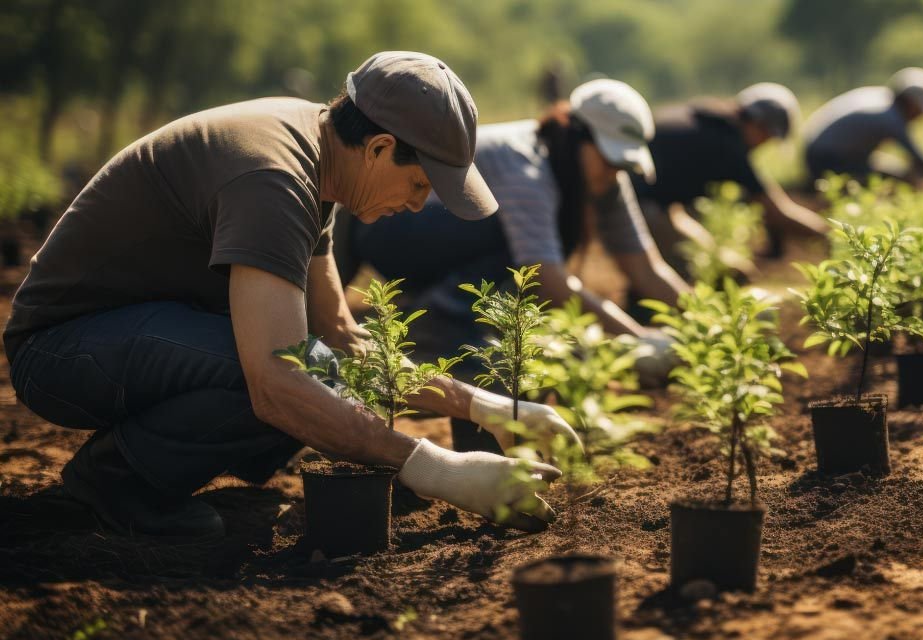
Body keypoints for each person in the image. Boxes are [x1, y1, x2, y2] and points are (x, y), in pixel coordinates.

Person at [3, 52, 576, 539]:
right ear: (378, 148)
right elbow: (277, 382)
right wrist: (438, 469)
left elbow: (344, 338)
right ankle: (115, 480)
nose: (414, 203)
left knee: (324, 370)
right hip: (60, 350)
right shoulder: (273, 178)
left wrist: (481, 405)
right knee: (286, 374)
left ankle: (139, 461)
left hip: (139, 335)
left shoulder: (318, 157)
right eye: (420, 184)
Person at [332, 79, 689, 452]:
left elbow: (646, 266)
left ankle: (456, 321)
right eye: (609, 160)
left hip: (436, 238)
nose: (613, 173)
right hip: (395, 226)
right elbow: (544, 277)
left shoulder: (602, 180)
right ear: (579, 137)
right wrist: (633, 340)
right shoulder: (527, 166)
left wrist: (705, 324)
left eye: (622, 164)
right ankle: (442, 329)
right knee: (499, 230)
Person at [633, 83, 828, 263]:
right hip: (640, 205)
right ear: (757, 125)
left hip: (653, 201)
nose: (764, 145)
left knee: (715, 256)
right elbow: (777, 211)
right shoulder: (729, 146)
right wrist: (831, 236)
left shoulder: (705, 118)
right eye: (767, 137)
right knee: (702, 264)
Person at [804, 67, 923, 185]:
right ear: (909, 102)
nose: (919, 117)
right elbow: (917, 157)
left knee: (894, 169)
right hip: (824, 159)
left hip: (820, 152)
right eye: (918, 110)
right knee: (895, 178)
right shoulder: (890, 117)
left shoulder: (883, 101)